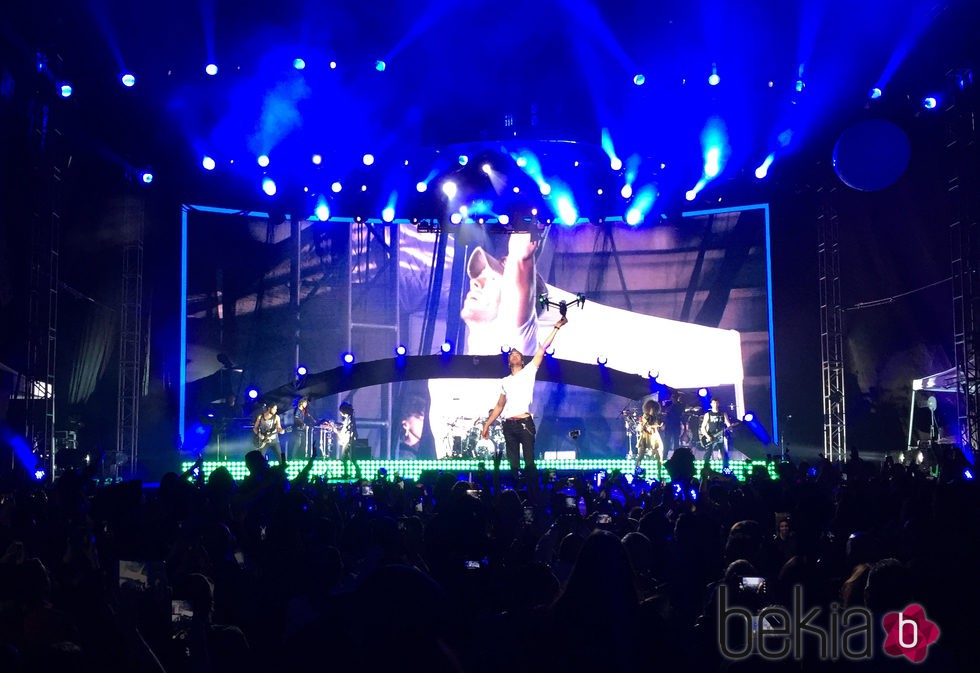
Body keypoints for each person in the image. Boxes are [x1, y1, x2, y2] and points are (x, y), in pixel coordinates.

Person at [428, 233, 546, 457]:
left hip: (502, 483)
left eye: (490, 278)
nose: (475, 282)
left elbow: (521, 258)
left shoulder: (516, 344)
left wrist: (521, 224)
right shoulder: (455, 366)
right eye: (476, 276)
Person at [481, 315, 568, 489]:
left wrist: (556, 327)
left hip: (524, 424)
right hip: (508, 425)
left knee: (529, 461)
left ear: (522, 360)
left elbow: (543, 348)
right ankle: (516, 492)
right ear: (509, 361)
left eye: (517, 355)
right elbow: (499, 405)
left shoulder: (529, 371)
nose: (514, 356)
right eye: (511, 355)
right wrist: (486, 425)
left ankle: (533, 492)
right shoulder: (505, 381)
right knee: (513, 464)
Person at [700, 398, 732, 466]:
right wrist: (708, 436)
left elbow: (728, 424)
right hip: (711, 436)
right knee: (708, 454)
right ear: (711, 404)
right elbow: (703, 428)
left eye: (716, 403)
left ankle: (726, 469)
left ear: (718, 404)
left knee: (724, 454)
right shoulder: (708, 414)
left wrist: (730, 427)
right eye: (714, 403)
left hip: (721, 436)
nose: (715, 405)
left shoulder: (723, 414)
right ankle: (705, 468)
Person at [635, 399, 665, 469]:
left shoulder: (656, 416)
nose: (654, 410)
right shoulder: (645, 416)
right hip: (646, 436)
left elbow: (661, 425)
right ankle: (637, 469)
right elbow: (648, 424)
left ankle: (659, 473)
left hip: (654, 436)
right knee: (641, 455)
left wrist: (660, 423)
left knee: (659, 454)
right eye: (652, 408)